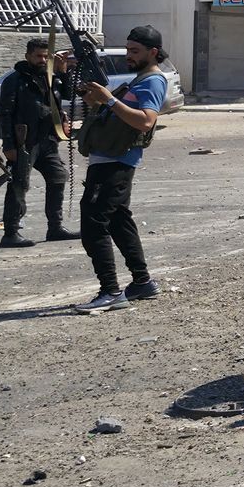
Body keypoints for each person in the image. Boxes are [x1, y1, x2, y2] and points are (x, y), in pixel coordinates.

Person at [72, 26, 168, 313]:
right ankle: (142, 282)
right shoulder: (138, 79)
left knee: (93, 225)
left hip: (116, 163)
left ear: (153, 52)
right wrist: (96, 102)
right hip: (109, 159)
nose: (129, 55)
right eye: (127, 49)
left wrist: (109, 99)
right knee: (118, 222)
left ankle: (110, 291)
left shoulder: (152, 81)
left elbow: (146, 121)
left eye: (134, 51)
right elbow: (115, 118)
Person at [0, 37, 82, 246]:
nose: (42, 60)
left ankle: (55, 227)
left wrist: (63, 71)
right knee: (19, 184)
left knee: (58, 177)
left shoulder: (51, 78)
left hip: (48, 140)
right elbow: (5, 114)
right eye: (38, 56)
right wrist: (8, 145)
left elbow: (70, 95)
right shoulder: (15, 81)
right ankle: (11, 233)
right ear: (27, 56)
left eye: (46, 56)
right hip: (24, 141)